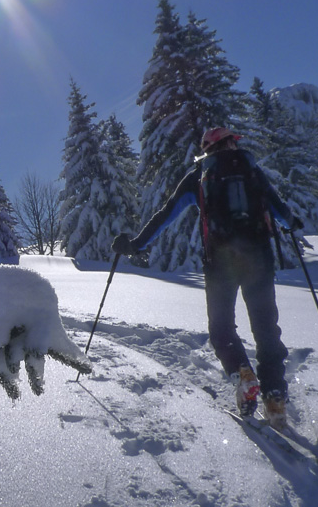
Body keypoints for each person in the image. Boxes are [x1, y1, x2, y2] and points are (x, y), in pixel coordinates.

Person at [112, 127, 302, 429]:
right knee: (266, 329)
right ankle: (275, 397)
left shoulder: (199, 176)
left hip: (221, 263)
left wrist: (136, 244)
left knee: (221, 329)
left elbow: (166, 214)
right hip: (259, 260)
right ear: (230, 143)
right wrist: (292, 222)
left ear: (206, 149)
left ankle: (242, 373)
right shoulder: (252, 169)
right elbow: (280, 210)